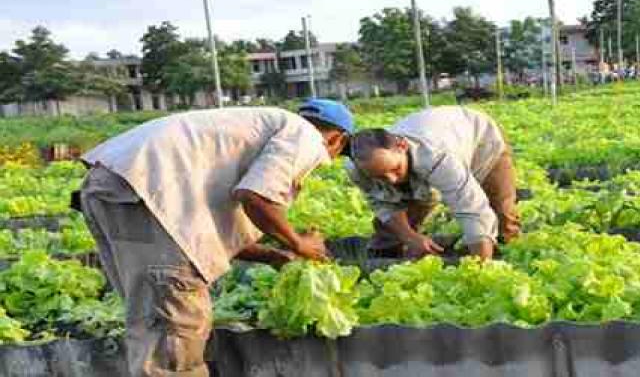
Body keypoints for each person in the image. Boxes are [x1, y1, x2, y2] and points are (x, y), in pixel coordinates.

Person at [78, 99, 353, 377]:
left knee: (153, 316)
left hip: (117, 184)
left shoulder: (257, 126)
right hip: (147, 194)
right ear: (337, 140)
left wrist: (272, 255)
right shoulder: (305, 135)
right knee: (174, 327)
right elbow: (255, 196)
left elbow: (205, 230)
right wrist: (298, 243)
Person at [346, 106, 520, 260]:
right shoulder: (358, 169)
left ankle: (507, 257)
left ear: (402, 146)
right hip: (430, 145)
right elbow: (383, 204)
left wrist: (481, 268)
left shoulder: (436, 156)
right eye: (381, 177)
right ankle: (384, 259)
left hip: (481, 140)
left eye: (395, 169)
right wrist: (410, 237)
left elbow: (471, 207)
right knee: (394, 225)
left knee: (501, 211)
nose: (392, 179)